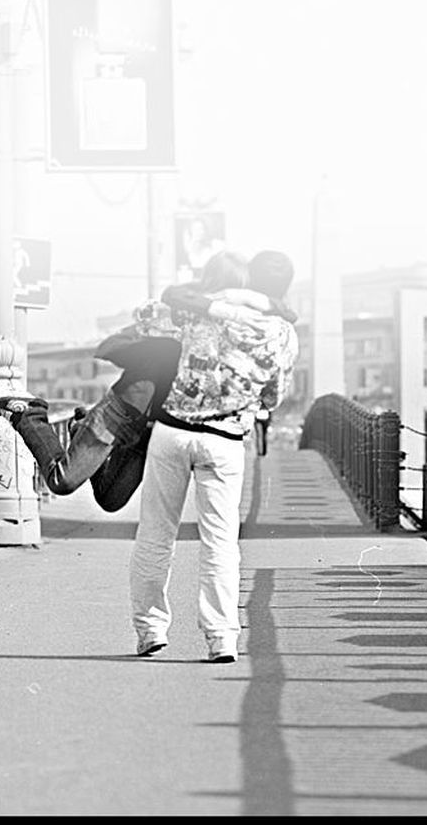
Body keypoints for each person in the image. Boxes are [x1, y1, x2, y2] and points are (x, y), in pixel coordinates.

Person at [0, 252, 289, 511]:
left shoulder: (236, 334)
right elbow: (145, 313)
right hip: (122, 409)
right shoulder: (182, 314)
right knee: (62, 481)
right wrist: (191, 313)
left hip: (153, 427)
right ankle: (30, 415)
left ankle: (81, 425)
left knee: (111, 499)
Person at [130, 250, 299, 662]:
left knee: (156, 534)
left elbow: (150, 312)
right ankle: (221, 637)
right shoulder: (282, 333)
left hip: (173, 432)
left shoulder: (203, 310)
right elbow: (274, 396)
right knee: (220, 544)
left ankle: (150, 630)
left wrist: (211, 295)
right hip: (223, 441)